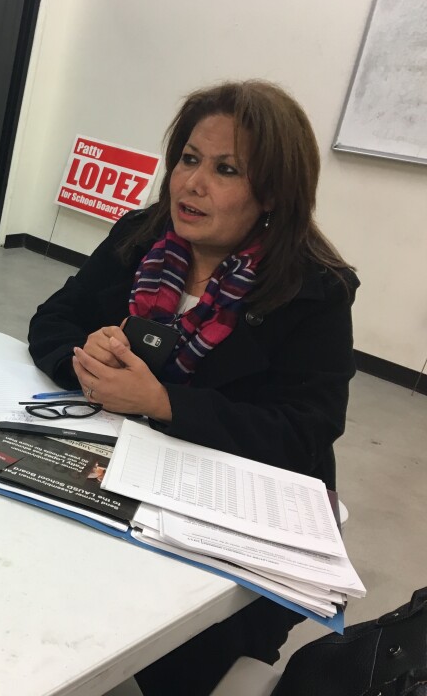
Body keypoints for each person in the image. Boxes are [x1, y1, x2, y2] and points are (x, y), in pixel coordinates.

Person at [27, 81, 359, 696]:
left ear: (274, 192)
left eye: (225, 169)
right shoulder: (140, 237)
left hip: (220, 540)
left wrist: (164, 403)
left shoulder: (314, 290)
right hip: (109, 485)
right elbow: (53, 319)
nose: (192, 184)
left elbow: (303, 431)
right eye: (188, 159)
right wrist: (86, 360)